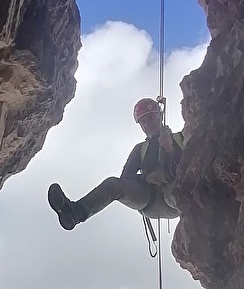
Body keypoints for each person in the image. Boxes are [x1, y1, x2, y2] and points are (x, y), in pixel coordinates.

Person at [47, 97, 184, 231]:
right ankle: (73, 213)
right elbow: (126, 178)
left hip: (173, 193)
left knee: (180, 192)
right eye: (143, 122)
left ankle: (199, 216)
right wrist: (147, 178)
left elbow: (192, 165)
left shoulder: (180, 138)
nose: (147, 124)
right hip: (147, 198)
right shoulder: (140, 149)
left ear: (159, 116)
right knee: (113, 184)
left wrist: (171, 149)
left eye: (150, 118)